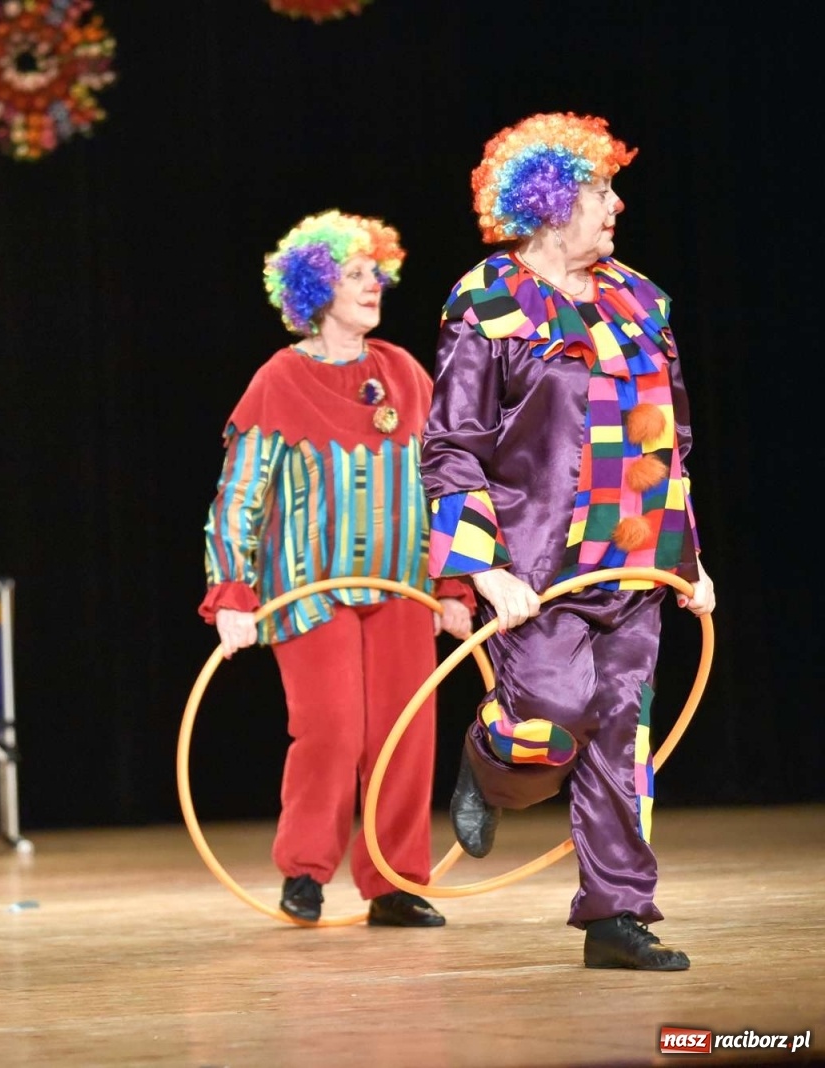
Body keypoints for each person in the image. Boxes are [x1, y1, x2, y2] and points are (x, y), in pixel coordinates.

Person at [421, 112, 715, 971]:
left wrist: (689, 560)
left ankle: (616, 916)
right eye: (599, 191)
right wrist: (482, 569)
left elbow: (675, 441)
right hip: (538, 569)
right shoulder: (488, 301)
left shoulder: (643, 299)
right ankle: (487, 760)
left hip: (635, 560)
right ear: (551, 204)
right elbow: (451, 447)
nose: (616, 204)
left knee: (622, 738)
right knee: (548, 722)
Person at [200, 210, 475, 929]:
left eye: (374, 273)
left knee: (404, 735)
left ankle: (392, 883)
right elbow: (239, 500)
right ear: (315, 289)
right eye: (353, 275)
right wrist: (231, 594)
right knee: (331, 730)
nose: (371, 285)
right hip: (309, 593)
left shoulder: (403, 374)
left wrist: (453, 585)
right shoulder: (279, 380)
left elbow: (447, 483)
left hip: (403, 591)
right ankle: (305, 870)